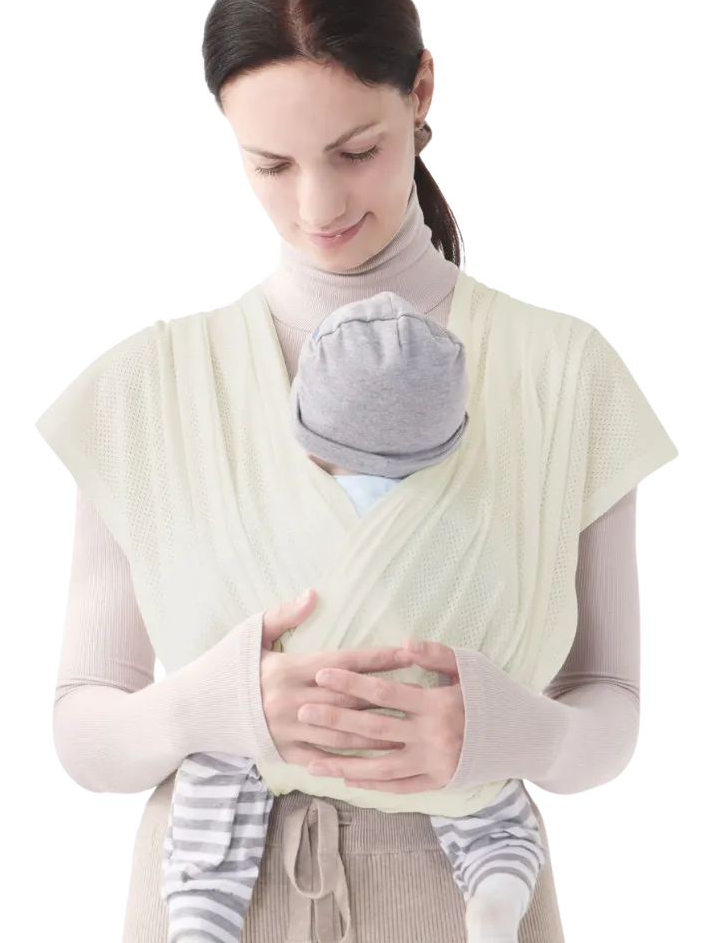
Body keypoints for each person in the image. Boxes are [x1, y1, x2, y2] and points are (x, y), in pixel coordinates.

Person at [38, 0, 682, 942]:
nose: (319, 205)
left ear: (423, 90)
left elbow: (616, 714)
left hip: (468, 895)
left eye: (355, 152)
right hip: (210, 893)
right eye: (271, 164)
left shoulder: (564, 375)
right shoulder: (145, 390)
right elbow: (82, 739)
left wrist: (515, 733)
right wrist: (211, 706)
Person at [162, 293, 548, 943]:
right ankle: (494, 893)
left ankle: (200, 918)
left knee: (217, 768)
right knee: (493, 801)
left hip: (294, 717)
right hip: (416, 719)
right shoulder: (467, 527)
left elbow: (217, 610)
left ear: (309, 440)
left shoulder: (271, 518)